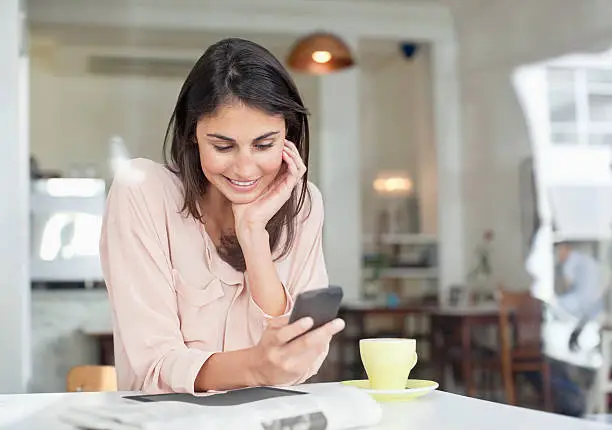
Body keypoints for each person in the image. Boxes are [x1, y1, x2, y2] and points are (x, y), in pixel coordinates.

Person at [99, 38, 345, 394]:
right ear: (192, 136)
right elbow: (151, 368)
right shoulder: (143, 192)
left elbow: (297, 359)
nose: (245, 168)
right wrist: (258, 367)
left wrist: (253, 235)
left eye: (264, 145)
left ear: (287, 138)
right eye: (223, 146)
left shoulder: (303, 206)